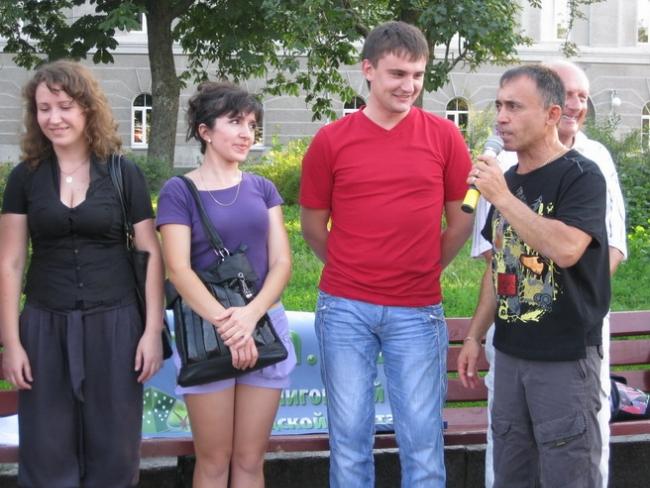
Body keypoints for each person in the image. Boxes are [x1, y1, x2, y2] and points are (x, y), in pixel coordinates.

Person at [300, 21, 473, 488]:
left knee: (422, 441)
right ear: (368, 70)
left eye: (417, 75)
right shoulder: (331, 140)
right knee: (349, 440)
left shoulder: (444, 137)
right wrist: (353, 268)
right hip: (344, 309)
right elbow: (312, 228)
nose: (409, 86)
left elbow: (461, 222)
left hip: (418, 310)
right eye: (398, 74)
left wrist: (425, 267)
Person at [0, 59, 164, 487]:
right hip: (44, 325)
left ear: (87, 108)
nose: (54, 118)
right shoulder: (24, 179)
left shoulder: (123, 173)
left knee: (115, 451)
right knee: (46, 451)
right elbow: (10, 262)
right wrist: (11, 343)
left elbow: (150, 254)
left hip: (115, 325)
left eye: (64, 106)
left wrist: (151, 332)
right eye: (44, 108)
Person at [469, 60, 627, 488]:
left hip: (564, 358)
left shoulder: (581, 175)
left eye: (515, 107)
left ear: (552, 115)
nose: (501, 118)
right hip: (510, 354)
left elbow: (567, 249)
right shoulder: (508, 178)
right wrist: (475, 335)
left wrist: (504, 198)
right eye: (499, 106)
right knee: (511, 474)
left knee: (567, 475)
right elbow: (498, 264)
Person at [157, 82, 296, 488]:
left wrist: (250, 316)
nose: (246, 133)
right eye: (235, 122)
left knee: (250, 460)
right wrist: (230, 326)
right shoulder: (179, 191)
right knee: (214, 461)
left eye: (252, 124)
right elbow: (178, 269)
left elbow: (282, 263)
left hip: (264, 324)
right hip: (207, 330)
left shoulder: (263, 189)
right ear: (205, 131)